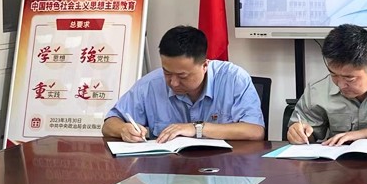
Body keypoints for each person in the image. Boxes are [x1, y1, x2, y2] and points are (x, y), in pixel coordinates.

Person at [102, 25, 264, 142]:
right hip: (167, 171)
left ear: (205, 65)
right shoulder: (150, 85)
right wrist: (123, 129)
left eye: (182, 76)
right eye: (167, 72)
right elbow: (109, 123)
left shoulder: (233, 79)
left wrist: (196, 128)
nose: (173, 82)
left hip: (223, 170)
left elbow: (255, 131)